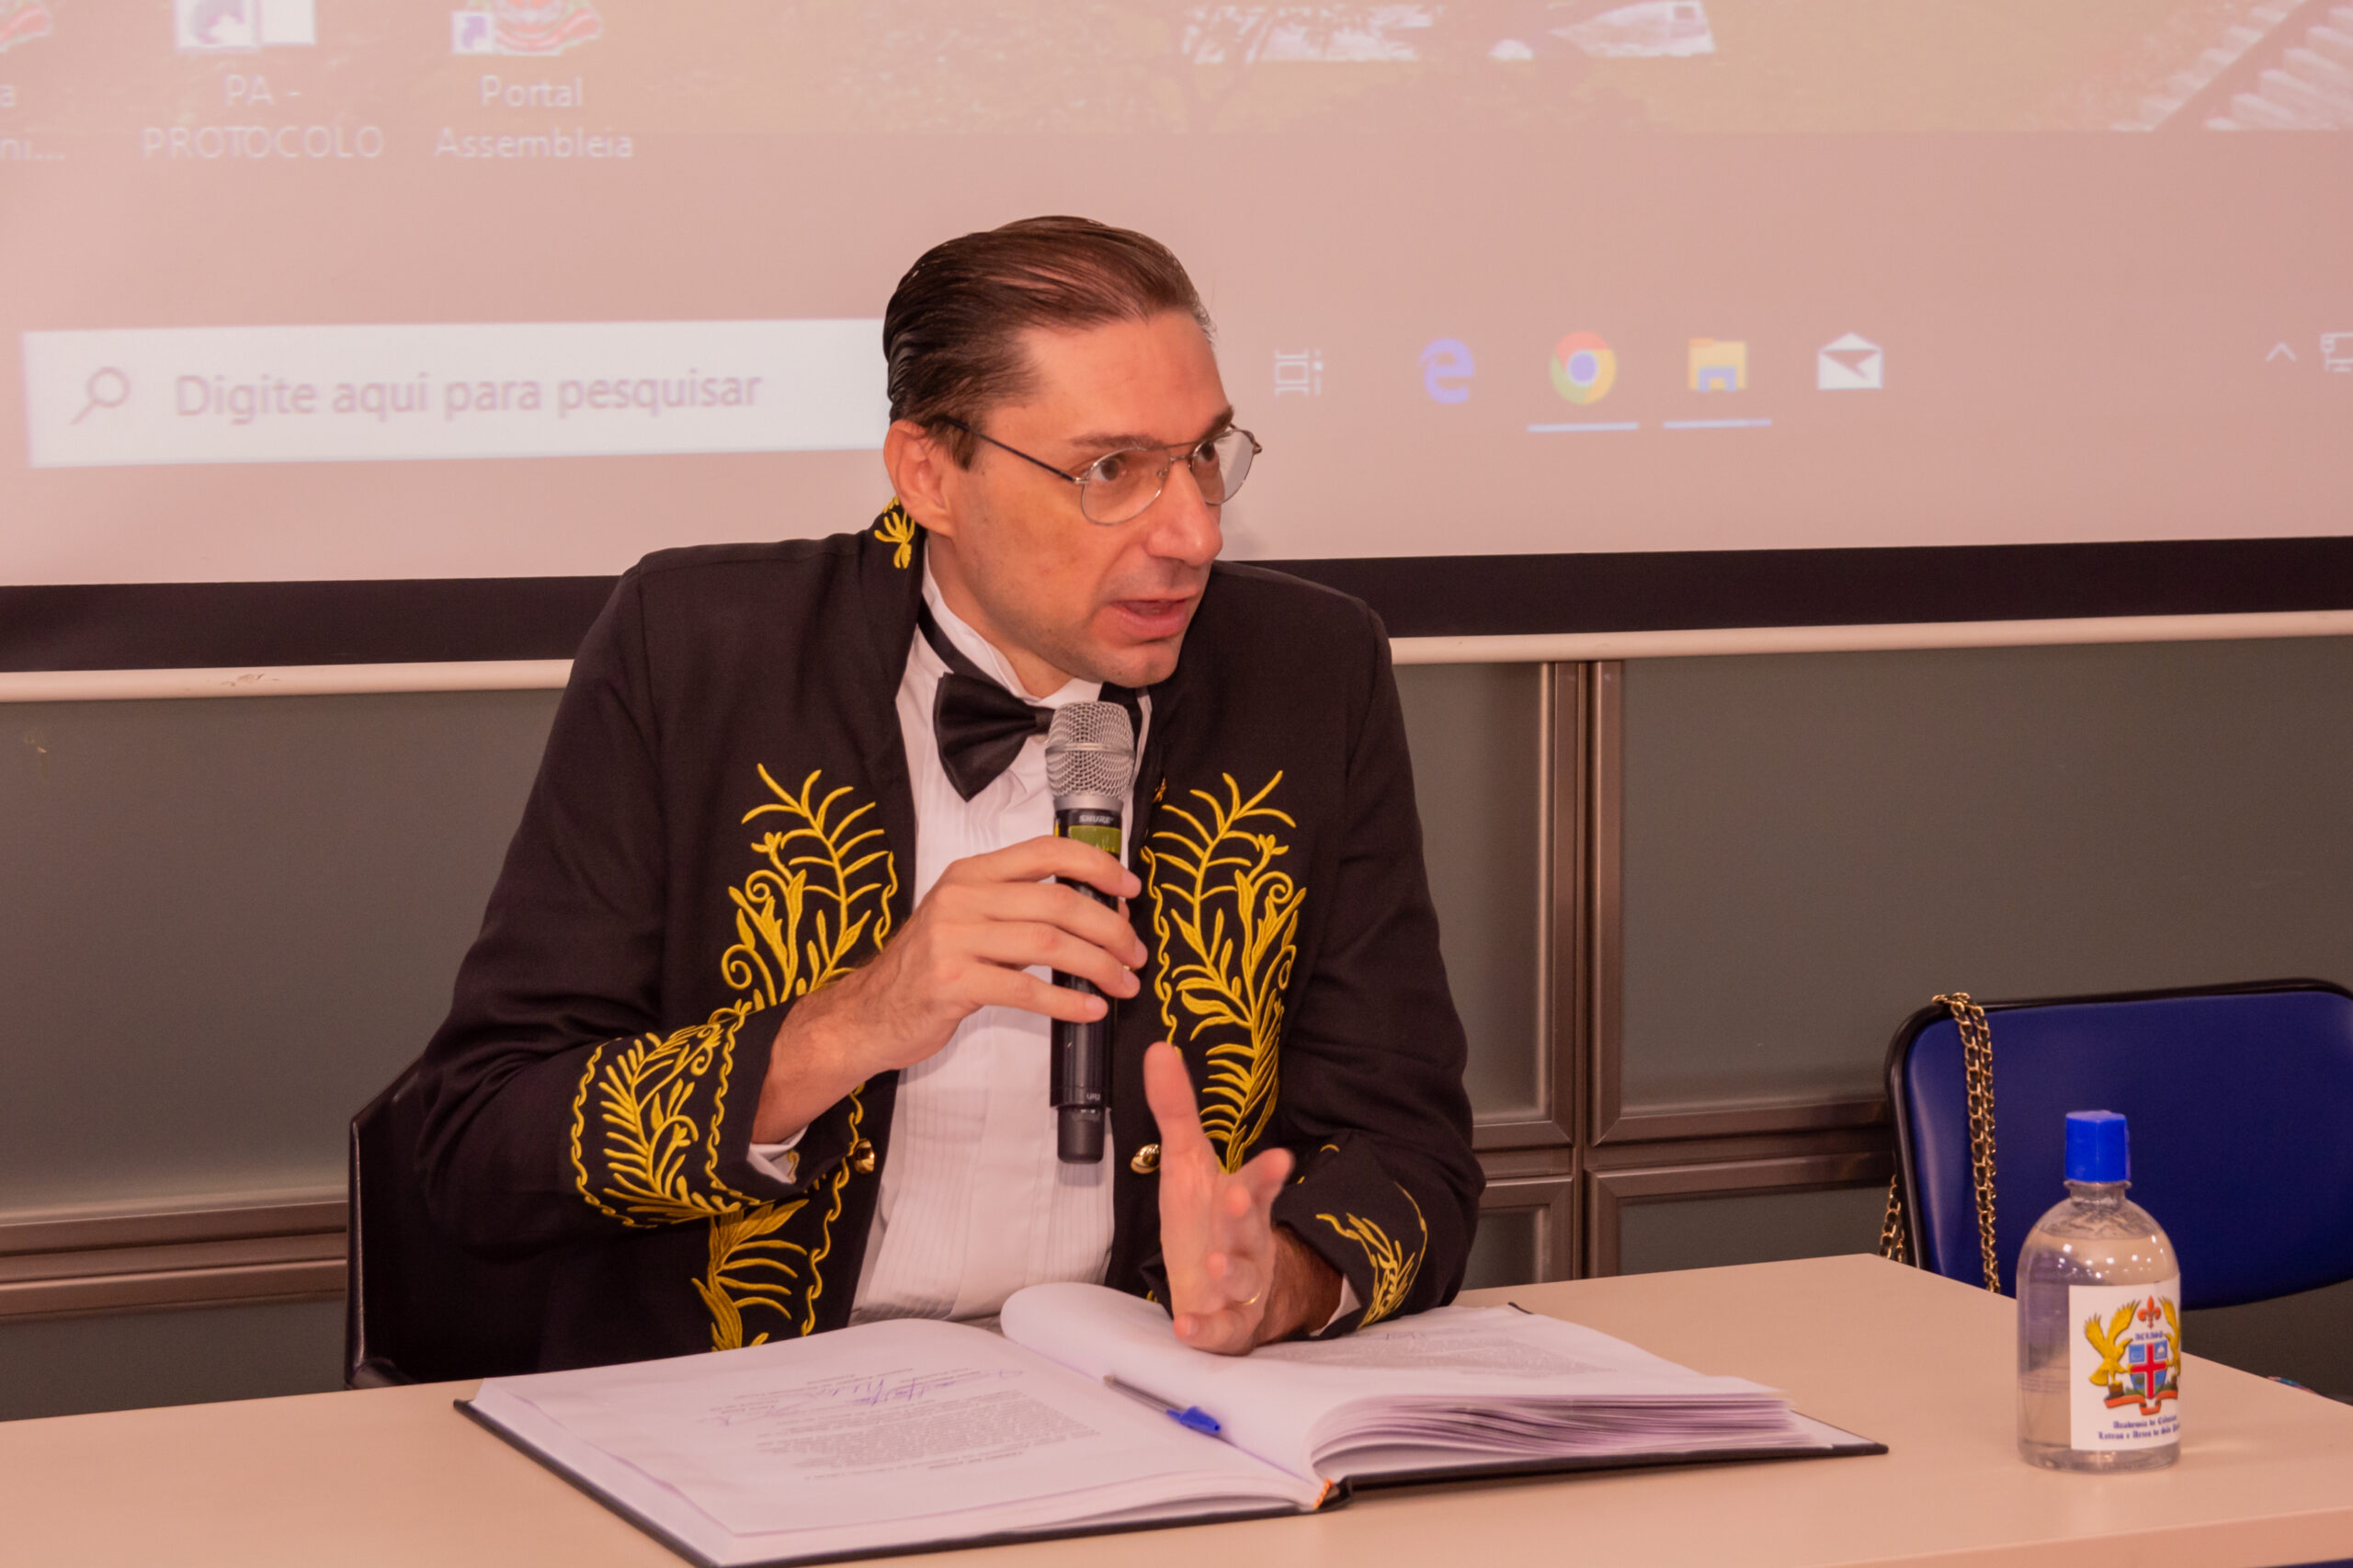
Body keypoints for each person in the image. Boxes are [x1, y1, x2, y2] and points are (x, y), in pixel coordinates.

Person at [410, 216, 1481, 1369]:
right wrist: (847, 1025)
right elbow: (478, 1143)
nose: (1195, 531)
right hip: (742, 1407)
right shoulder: (698, 653)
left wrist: (1279, 1278)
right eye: (1111, 470)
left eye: (1206, 454)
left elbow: (1409, 1146)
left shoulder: (1307, 674)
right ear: (930, 474)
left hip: (1136, 1404)